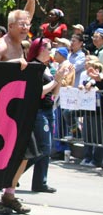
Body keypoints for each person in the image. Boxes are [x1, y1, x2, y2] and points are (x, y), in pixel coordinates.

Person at [0, 0, 37, 215]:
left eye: (28, 24)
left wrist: (32, 0)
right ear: (11, 26)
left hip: (18, 109)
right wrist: (11, 64)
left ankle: (9, 194)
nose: (26, 27)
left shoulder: (20, 36)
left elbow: (27, 15)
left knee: (26, 152)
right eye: (21, 25)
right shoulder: (2, 44)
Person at [24, 38, 71, 193]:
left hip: (48, 109)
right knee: (44, 147)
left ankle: (40, 182)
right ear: (40, 49)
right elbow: (38, 92)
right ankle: (13, 176)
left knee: (46, 148)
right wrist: (56, 80)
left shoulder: (47, 67)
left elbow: (53, 92)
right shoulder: (34, 67)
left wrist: (59, 78)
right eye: (49, 48)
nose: (51, 52)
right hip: (38, 111)